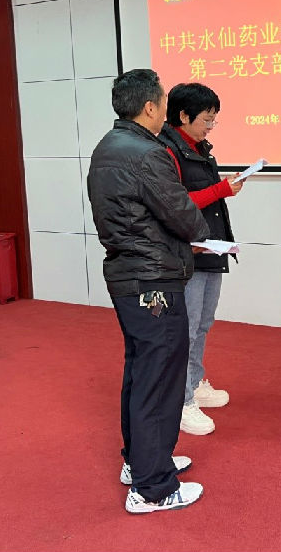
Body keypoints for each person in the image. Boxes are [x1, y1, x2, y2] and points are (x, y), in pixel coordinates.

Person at [87, 69, 210, 513]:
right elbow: (182, 214)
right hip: (152, 278)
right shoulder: (146, 152)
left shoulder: (108, 146)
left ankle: (140, 461)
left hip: (129, 274)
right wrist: (199, 232)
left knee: (141, 372)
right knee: (159, 378)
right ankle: (153, 487)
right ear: (150, 106)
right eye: (162, 102)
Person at [157, 83, 243, 435]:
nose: (211, 126)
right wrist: (222, 189)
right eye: (207, 119)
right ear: (183, 115)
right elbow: (176, 203)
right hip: (186, 252)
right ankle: (180, 401)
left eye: (213, 120)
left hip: (210, 247)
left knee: (202, 324)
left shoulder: (199, 149)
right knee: (186, 330)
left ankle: (193, 383)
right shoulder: (166, 151)